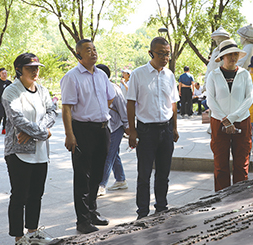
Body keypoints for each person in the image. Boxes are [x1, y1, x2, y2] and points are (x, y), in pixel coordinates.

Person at [2, 53, 57, 245]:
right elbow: (17, 120)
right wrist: (45, 133)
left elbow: (52, 112)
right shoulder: (11, 92)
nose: (35, 71)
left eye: (36, 68)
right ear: (19, 70)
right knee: (20, 195)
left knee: (36, 193)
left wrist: (37, 133)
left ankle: (33, 232)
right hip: (18, 152)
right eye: (30, 68)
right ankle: (19, 238)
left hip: (40, 152)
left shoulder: (42, 90)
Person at [60, 39, 115, 234]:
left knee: (98, 174)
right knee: (83, 176)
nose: (93, 53)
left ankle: (92, 212)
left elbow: (111, 97)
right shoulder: (72, 77)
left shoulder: (101, 75)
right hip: (82, 130)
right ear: (78, 56)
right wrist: (70, 134)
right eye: (88, 50)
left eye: (94, 49)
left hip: (102, 129)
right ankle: (82, 220)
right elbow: (66, 108)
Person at [127, 37, 179, 219]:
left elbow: (173, 104)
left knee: (163, 173)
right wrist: (132, 131)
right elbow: (131, 103)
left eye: (167, 53)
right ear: (151, 53)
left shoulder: (170, 75)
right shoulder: (138, 74)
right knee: (144, 175)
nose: (165, 57)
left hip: (165, 130)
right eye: (161, 53)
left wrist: (174, 128)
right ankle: (142, 212)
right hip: (146, 131)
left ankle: (161, 207)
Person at [206, 39, 253, 191]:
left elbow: (249, 98)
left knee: (241, 163)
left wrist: (232, 118)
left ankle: (240, 197)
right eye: (229, 55)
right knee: (220, 164)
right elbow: (210, 100)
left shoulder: (245, 74)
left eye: (235, 54)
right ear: (222, 57)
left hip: (242, 121)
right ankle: (221, 199)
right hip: (219, 122)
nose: (233, 57)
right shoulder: (213, 75)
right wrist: (224, 120)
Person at [96, 64, 129, 197]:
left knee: (108, 154)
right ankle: (121, 180)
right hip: (104, 127)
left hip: (116, 127)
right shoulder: (97, 88)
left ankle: (101, 185)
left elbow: (123, 108)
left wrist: (127, 126)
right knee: (113, 154)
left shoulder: (114, 89)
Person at [0, 68, 12, 136]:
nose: (4, 74)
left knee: (6, 116)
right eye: (2, 73)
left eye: (5, 73)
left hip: (7, 101)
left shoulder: (9, 83)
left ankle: (4, 129)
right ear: (0, 74)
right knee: (0, 115)